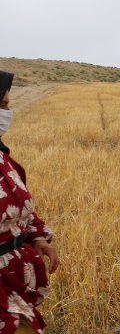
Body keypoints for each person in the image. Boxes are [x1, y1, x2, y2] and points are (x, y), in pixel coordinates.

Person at [0, 71, 59, 334]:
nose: (7, 113)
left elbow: (19, 207)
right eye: (3, 106)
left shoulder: (3, 158)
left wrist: (37, 238)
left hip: (13, 278)